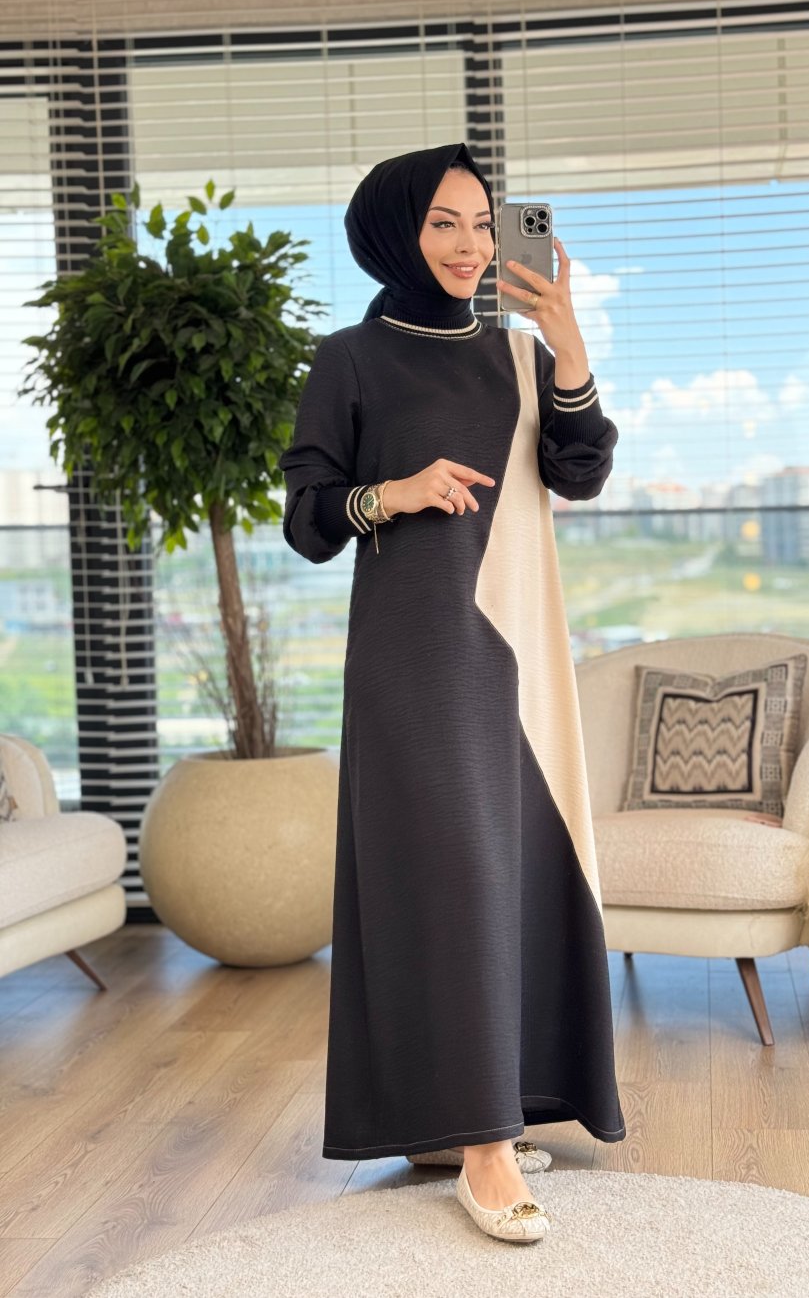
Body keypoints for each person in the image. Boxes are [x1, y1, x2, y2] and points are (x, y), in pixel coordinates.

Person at [279, 142, 626, 1244]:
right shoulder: (349, 359)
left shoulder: (521, 353)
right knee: (453, 873)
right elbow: (307, 519)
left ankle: (465, 1116)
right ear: (396, 231)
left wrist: (569, 347)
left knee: (513, 871)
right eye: (444, 222)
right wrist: (393, 492)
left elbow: (580, 471)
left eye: (483, 222)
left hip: (518, 645)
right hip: (414, 657)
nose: (472, 244)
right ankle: (483, 1151)